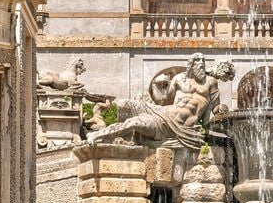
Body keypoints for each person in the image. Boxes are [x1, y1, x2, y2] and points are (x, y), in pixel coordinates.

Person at [90, 53, 234, 150]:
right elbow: (162, 100)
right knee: (124, 104)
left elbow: (215, 107)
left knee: (135, 123)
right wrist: (155, 85)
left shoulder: (211, 82)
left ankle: (100, 136)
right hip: (164, 114)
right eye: (197, 61)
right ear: (191, 65)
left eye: (203, 61)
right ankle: (112, 137)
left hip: (181, 127)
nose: (201, 64)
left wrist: (222, 107)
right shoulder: (179, 78)